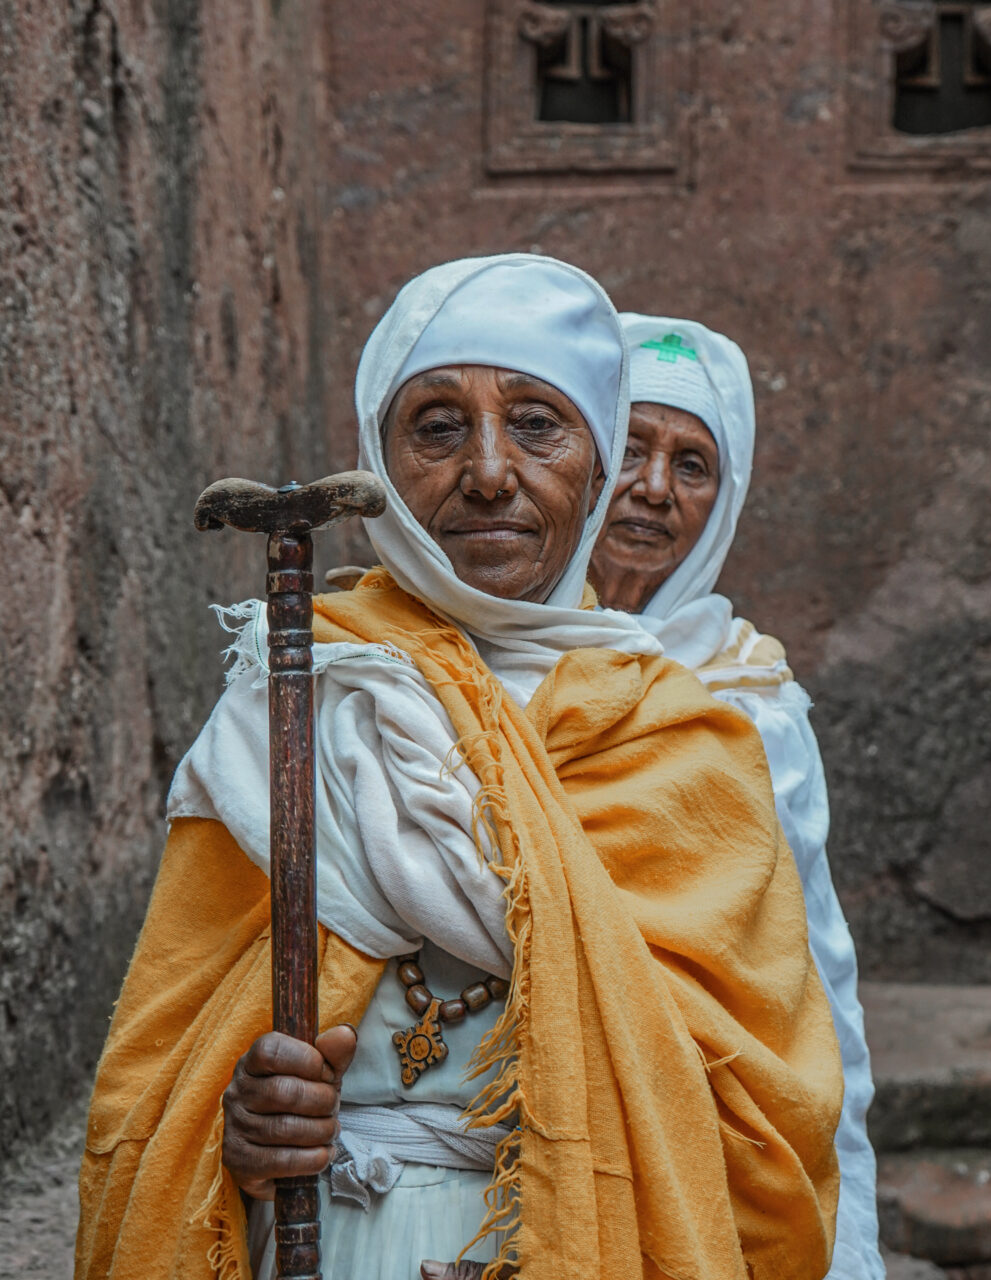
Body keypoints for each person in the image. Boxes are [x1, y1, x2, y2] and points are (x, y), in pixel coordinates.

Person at [76, 256, 843, 1280]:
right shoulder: (294, 700)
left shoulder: (683, 741)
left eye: (536, 424)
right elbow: (161, 1064)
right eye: (437, 427)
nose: (488, 470)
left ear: (598, 460)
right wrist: (244, 1121)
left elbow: (761, 1111)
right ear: (379, 463)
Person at [589, 313, 884, 1280]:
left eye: (693, 465)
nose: (654, 490)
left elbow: (810, 970)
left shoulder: (750, 701)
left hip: (708, 1132)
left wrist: (847, 1236)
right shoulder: (490, 668)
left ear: (726, 498)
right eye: (630, 447)